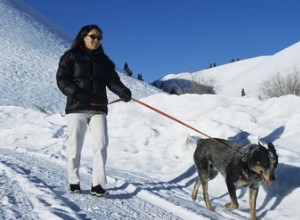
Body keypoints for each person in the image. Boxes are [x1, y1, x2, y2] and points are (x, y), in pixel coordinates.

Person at [56, 24, 131, 197]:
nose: (96, 40)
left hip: (98, 109)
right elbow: (61, 79)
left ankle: (97, 184)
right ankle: (74, 180)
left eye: (99, 37)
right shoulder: (70, 57)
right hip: (77, 107)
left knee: (101, 144)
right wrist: (76, 93)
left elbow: (113, 81)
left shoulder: (104, 62)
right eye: (93, 36)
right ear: (83, 37)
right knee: (75, 146)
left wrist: (123, 91)